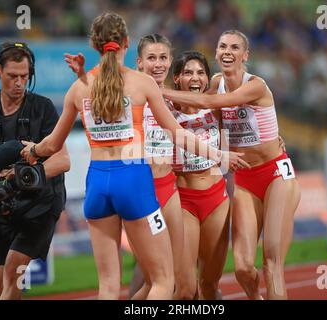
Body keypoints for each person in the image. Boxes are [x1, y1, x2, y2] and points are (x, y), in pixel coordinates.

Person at [21, 13, 248, 300]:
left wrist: (30, 151)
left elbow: (51, 145)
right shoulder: (141, 84)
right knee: (164, 282)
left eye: (164, 58)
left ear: (94, 45)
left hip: (98, 183)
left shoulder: (80, 88)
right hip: (134, 181)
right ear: (128, 45)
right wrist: (219, 154)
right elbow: (178, 132)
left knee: (107, 286)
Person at [162, 30, 301, 300]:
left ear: (245, 55)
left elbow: (207, 102)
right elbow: (205, 110)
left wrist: (159, 90)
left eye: (235, 47)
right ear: (216, 53)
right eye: (222, 46)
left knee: (271, 261)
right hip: (245, 180)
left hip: (275, 173)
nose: (227, 51)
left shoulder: (256, 85)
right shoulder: (214, 83)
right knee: (242, 268)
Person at [64, 34, 185, 300]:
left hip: (164, 188)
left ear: (171, 62)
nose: (158, 64)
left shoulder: (181, 98)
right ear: (138, 61)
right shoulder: (133, 90)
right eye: (151, 58)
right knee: (154, 279)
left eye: (163, 57)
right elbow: (99, 101)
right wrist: (84, 77)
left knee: (178, 281)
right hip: (138, 187)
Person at [0, 41, 70, 300]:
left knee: (11, 271)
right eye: (12, 76)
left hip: (41, 204)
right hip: (4, 204)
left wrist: (20, 174)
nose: (19, 83)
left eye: (24, 77)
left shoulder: (43, 108)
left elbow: (63, 161)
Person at [171, 51, 230, 300]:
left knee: (209, 286)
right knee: (185, 291)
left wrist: (273, 140)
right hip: (183, 202)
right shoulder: (165, 111)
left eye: (200, 73)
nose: (195, 78)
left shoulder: (215, 107)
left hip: (217, 200)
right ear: (176, 79)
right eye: (188, 73)